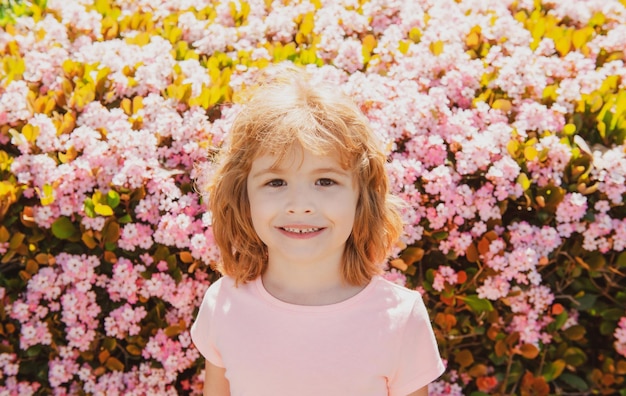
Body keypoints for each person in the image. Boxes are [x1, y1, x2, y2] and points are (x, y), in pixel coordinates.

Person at [191, 64, 445, 396]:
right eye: (276, 181)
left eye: (325, 181)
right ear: (244, 196)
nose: (300, 204)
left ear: (361, 195)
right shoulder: (224, 303)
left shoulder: (400, 318)